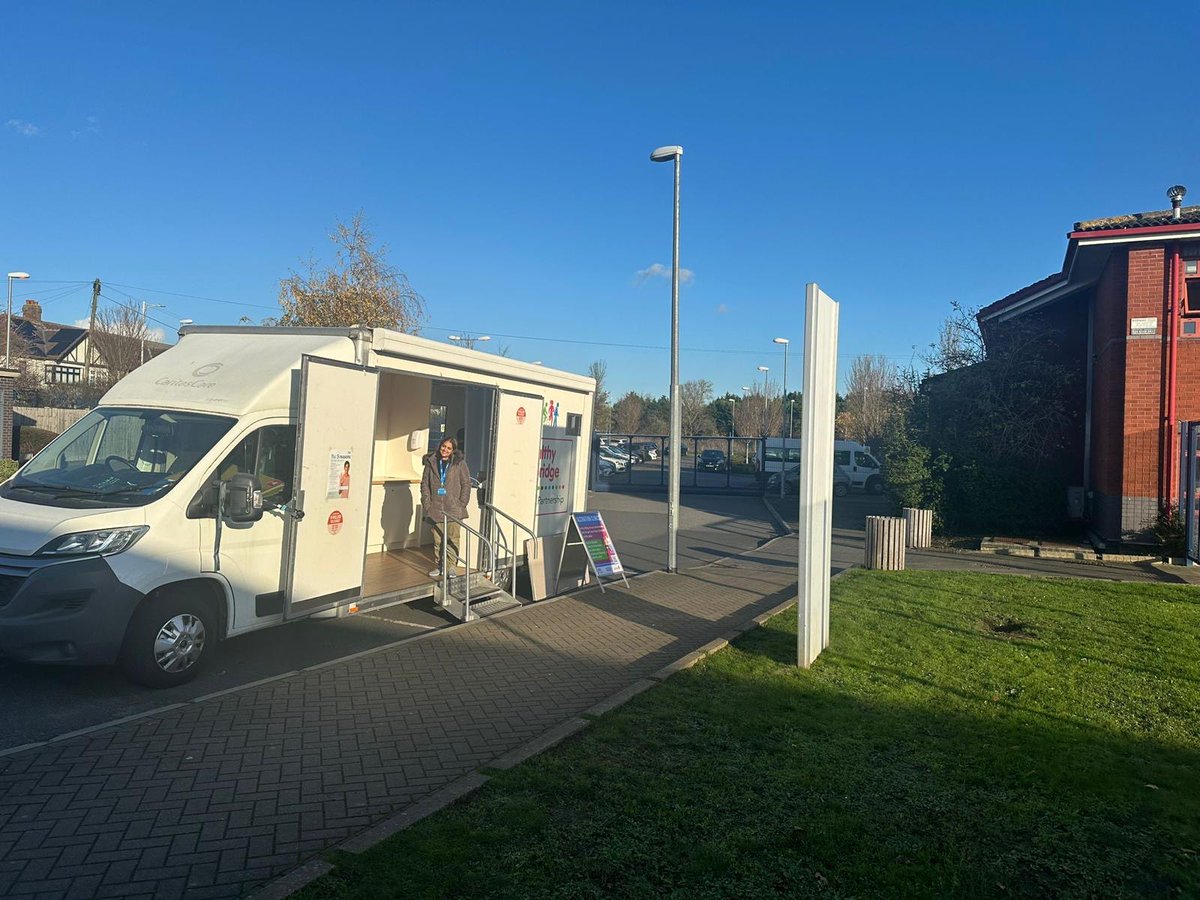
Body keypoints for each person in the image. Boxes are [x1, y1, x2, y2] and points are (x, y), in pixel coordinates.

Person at [421, 436, 472, 578]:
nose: (445, 450)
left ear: (453, 450)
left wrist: (462, 503)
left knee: (452, 539)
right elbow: (424, 484)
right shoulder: (431, 462)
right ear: (440, 446)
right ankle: (440, 565)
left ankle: (451, 567)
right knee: (438, 540)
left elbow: (466, 484)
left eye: (449, 448)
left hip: (453, 508)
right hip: (436, 508)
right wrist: (427, 503)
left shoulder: (459, 464)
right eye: (444, 446)